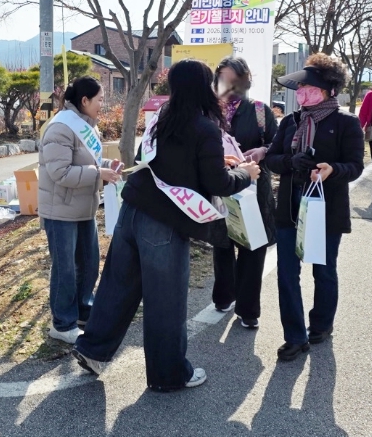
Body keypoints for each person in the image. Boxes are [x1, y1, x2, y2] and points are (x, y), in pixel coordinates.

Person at [73, 59, 260, 390]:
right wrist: (246, 173)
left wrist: (218, 161)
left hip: (133, 210)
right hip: (165, 223)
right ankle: (169, 375)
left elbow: (159, 161)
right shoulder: (204, 126)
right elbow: (217, 183)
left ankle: (92, 350)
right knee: (166, 301)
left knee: (117, 286)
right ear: (204, 86)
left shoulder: (162, 117)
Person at [266, 53, 364, 361]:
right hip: (289, 205)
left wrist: (332, 170)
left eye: (309, 88)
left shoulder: (346, 122)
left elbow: (355, 165)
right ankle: (295, 337)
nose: (302, 93)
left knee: (323, 270)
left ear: (329, 90)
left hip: (325, 206)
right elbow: (272, 158)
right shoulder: (291, 121)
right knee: (286, 272)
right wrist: (290, 161)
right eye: (300, 88)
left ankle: (321, 324)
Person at [38, 76, 122, 344]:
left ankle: (84, 311)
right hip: (60, 211)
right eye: (100, 100)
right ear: (84, 100)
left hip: (83, 208)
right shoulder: (60, 128)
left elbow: (87, 161)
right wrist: (99, 173)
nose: (102, 105)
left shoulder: (86, 126)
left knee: (88, 264)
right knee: (65, 270)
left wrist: (107, 165)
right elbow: (61, 172)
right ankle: (62, 324)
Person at [212, 57, 277, 329]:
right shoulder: (209, 110)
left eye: (235, 80)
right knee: (222, 244)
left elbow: (277, 145)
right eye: (224, 79)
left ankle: (248, 309)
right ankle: (224, 296)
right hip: (220, 186)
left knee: (254, 247)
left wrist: (263, 151)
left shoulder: (260, 111)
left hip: (254, 188)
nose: (229, 86)